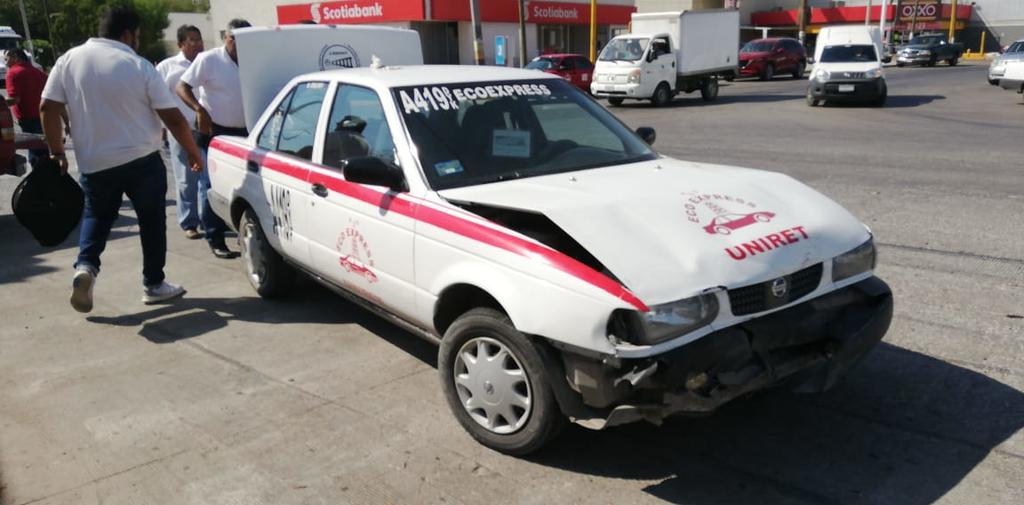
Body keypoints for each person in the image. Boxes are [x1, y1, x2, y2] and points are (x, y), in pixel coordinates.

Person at [39, 5, 204, 313]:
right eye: (138, 36)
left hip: (94, 162)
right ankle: (153, 285)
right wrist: (194, 153)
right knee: (152, 222)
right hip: (142, 159)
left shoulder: (68, 60)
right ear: (128, 34)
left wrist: (56, 152)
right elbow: (173, 118)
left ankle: (85, 269)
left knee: (96, 218)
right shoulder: (138, 64)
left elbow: (47, 108)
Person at [177, 18, 252, 259]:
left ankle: (244, 234)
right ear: (225, 38)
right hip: (215, 133)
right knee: (211, 185)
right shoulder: (208, 60)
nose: (238, 44)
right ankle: (215, 237)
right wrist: (199, 110)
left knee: (245, 187)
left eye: (243, 40)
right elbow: (182, 87)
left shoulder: (254, 58)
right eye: (233, 39)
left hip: (247, 133)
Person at [156, 25, 205, 240]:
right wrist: (162, 128)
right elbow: (157, 100)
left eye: (199, 39)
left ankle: (209, 219)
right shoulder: (167, 68)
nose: (197, 44)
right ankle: (189, 222)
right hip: (180, 130)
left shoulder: (207, 62)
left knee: (207, 177)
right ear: (180, 44)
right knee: (186, 179)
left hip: (205, 129)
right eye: (191, 40)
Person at [4, 48, 48, 165]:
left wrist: (1, 103)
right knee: (44, 150)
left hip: (28, 118)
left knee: (34, 151)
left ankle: (39, 180)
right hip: (45, 115)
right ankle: (50, 177)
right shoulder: (39, 73)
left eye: (6, 59)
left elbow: (14, 99)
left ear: (15, 57)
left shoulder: (13, 72)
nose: (5, 63)